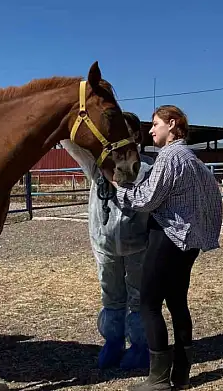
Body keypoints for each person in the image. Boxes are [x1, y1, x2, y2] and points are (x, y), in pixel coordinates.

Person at [113, 105, 223, 391]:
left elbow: (148, 200)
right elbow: (213, 201)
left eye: (155, 124)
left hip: (168, 237)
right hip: (189, 241)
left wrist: (121, 188)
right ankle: (181, 374)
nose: (151, 130)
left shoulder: (170, 157)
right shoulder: (194, 160)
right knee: (177, 303)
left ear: (172, 124)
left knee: (149, 304)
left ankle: (158, 377)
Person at [60, 112, 152, 371]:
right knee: (110, 294)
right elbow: (71, 144)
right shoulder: (97, 167)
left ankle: (140, 345)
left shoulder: (145, 168)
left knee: (138, 295)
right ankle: (113, 341)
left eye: (127, 130)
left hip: (138, 244)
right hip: (105, 244)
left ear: (135, 136)